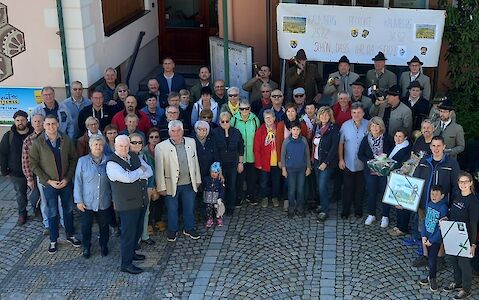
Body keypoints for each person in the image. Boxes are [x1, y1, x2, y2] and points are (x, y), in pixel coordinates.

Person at [29, 115, 80, 254]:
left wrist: (68, 178)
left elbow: (73, 159)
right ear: (44, 126)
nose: (51, 126)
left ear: (58, 124)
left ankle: (70, 235)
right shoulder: (38, 143)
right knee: (52, 212)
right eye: (48, 124)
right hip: (49, 184)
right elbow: (33, 164)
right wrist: (48, 180)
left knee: (68, 209)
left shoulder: (65, 140)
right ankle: (53, 239)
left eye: (53, 124)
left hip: (65, 182)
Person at [106, 135, 152, 274]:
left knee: (137, 231)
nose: (124, 148)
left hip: (140, 201)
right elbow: (127, 179)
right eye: (121, 146)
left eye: (127, 146)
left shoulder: (133, 156)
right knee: (128, 234)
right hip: (126, 205)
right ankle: (126, 264)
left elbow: (149, 171)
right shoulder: (112, 163)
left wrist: (135, 174)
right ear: (115, 145)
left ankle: (132, 253)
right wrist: (138, 172)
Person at [412, 135, 460, 267]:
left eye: (439, 145)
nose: (436, 148)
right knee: (424, 229)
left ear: (444, 147)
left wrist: (453, 205)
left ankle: (440, 258)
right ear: (430, 146)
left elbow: (456, 186)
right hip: (425, 203)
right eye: (433, 145)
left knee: (439, 231)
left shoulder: (451, 164)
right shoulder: (424, 161)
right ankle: (425, 255)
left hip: (442, 206)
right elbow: (415, 182)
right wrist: (407, 201)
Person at [155, 120, 202, 242]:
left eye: (178, 131)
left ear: (182, 131)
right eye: (173, 131)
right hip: (171, 184)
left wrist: (197, 179)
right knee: (172, 209)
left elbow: (195, 161)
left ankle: (189, 228)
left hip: (189, 182)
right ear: (169, 132)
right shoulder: (161, 147)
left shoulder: (191, 142)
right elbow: (159, 169)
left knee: (189, 207)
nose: (176, 133)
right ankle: (172, 230)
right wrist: (161, 187)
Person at [74, 134, 113, 258]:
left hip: (104, 200)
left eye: (101, 145)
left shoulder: (109, 161)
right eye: (95, 144)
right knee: (86, 226)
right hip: (87, 201)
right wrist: (78, 200)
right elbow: (78, 181)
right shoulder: (82, 161)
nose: (98, 147)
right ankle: (86, 246)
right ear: (90, 146)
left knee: (104, 225)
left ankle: (104, 245)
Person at [442, 172, 479, 300]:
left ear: (470, 183)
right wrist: (446, 219)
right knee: (453, 260)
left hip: (466, 237)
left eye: (465, 181)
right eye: (460, 182)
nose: (463, 184)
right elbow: (453, 213)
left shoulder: (473, 201)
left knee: (464, 264)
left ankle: (466, 289)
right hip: (453, 234)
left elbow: (474, 223)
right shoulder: (457, 196)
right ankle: (457, 283)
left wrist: (473, 244)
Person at [358, 117, 394, 226]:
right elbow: (360, 154)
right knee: (371, 192)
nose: (374, 128)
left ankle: (385, 216)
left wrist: (386, 161)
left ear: (381, 127)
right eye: (372, 125)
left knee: (384, 192)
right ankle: (371, 214)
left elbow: (393, 153)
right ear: (369, 127)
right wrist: (369, 162)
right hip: (370, 170)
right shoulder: (366, 139)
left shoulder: (387, 138)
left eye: (377, 125)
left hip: (384, 170)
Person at [0, 110, 33, 224]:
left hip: (34, 172)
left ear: (27, 120)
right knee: (20, 195)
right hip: (17, 173)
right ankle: (22, 214)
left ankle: (38, 211)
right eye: (17, 120)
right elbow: (3, 154)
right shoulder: (9, 136)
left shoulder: (34, 134)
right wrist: (4, 171)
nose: (20, 122)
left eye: (22, 120)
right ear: (14, 121)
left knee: (36, 195)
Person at [339, 102, 369, 219]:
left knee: (360, 189)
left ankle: (358, 210)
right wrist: (341, 159)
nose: (356, 115)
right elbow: (341, 144)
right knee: (347, 188)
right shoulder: (345, 126)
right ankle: (345, 210)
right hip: (348, 163)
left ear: (363, 113)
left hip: (363, 164)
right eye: (354, 112)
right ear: (351, 113)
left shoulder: (368, 125)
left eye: (359, 112)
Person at [212, 112, 244, 215]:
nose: (225, 123)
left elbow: (241, 148)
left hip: (233, 163)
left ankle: (230, 207)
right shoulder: (215, 132)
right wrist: (219, 169)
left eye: (227, 121)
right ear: (219, 121)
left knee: (232, 186)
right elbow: (215, 150)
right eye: (222, 121)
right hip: (220, 163)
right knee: (219, 186)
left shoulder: (236, 132)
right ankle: (220, 208)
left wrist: (240, 163)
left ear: (230, 121)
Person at [126, 133, 155, 246]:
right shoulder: (127, 157)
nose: (137, 144)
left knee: (146, 212)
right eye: (134, 142)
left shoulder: (145, 155)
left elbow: (151, 172)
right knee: (135, 215)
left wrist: (150, 187)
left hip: (146, 187)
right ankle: (136, 239)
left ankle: (144, 235)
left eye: (139, 142)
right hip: (134, 190)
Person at [418, 185, 448, 292]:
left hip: (435, 240)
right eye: (432, 194)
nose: (433, 196)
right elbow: (426, 221)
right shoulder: (429, 205)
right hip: (428, 237)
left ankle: (432, 279)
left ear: (442, 196)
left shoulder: (443, 208)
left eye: (436, 194)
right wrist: (424, 235)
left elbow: (442, 228)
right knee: (431, 260)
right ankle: (430, 277)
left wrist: (432, 240)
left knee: (432, 260)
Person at [311, 106, 339, 221]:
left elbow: (334, 148)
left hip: (326, 163)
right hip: (317, 160)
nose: (324, 117)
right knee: (319, 186)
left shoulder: (334, 128)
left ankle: (325, 211)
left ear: (330, 116)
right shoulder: (316, 127)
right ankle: (323, 205)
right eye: (322, 114)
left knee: (322, 186)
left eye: (326, 115)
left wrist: (326, 163)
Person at [384, 128, 413, 235]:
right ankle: (398, 226)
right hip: (394, 178)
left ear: (405, 137)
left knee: (402, 204)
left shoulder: (406, 148)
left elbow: (400, 163)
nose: (397, 138)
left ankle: (402, 228)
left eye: (400, 136)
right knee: (397, 203)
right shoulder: (396, 145)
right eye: (396, 136)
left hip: (401, 179)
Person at [232, 100, 260, 206]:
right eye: (242, 109)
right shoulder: (234, 120)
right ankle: (239, 197)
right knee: (239, 178)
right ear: (239, 109)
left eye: (247, 108)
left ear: (250, 109)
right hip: (240, 155)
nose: (244, 111)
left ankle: (250, 195)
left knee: (252, 177)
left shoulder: (255, 120)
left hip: (252, 154)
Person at [281, 120, 311, 218]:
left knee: (300, 189)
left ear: (300, 130)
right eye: (294, 129)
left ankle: (300, 207)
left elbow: (307, 155)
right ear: (290, 130)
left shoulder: (303, 140)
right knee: (291, 189)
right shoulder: (287, 141)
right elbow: (283, 156)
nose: (295, 132)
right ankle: (291, 208)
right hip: (290, 170)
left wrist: (308, 167)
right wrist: (284, 169)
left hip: (301, 169)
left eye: (297, 129)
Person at [254, 109, 281, 208]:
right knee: (264, 182)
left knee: (276, 181)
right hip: (264, 161)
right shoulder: (260, 131)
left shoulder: (279, 128)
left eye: (270, 117)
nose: (268, 119)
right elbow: (256, 148)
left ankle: (274, 197)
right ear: (264, 119)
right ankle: (264, 197)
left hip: (276, 161)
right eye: (266, 118)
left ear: (274, 118)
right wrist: (258, 162)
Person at [142, 128, 164, 234]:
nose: (154, 139)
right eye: (151, 137)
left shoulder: (163, 149)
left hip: (161, 179)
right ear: (148, 138)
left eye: (156, 137)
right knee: (150, 203)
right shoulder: (144, 151)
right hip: (150, 181)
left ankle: (158, 220)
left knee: (160, 202)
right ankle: (149, 223)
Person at [203, 162, 226, 227]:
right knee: (208, 209)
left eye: (215, 172)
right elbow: (204, 186)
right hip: (208, 198)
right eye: (212, 172)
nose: (213, 174)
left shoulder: (219, 181)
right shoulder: (207, 179)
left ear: (218, 173)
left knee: (217, 209)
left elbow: (222, 190)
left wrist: (220, 198)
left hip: (216, 198)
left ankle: (219, 218)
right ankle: (209, 219)